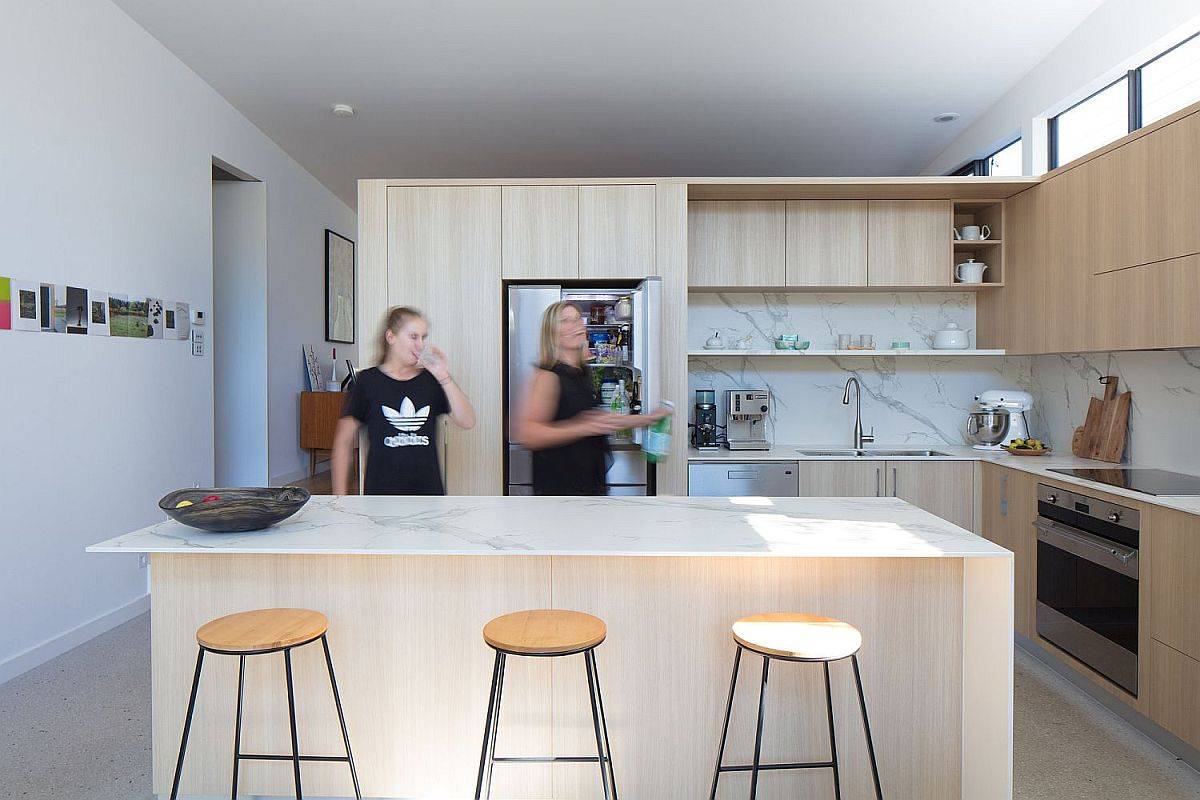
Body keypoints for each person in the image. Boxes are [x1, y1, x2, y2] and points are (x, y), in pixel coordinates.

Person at [516, 301, 670, 495]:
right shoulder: (548, 376)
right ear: (551, 333)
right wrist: (581, 427)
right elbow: (529, 434)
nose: (576, 325)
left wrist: (647, 418)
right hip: (560, 491)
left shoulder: (581, 373)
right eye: (565, 321)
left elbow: (600, 420)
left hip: (588, 485)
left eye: (578, 319)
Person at [331, 306, 475, 495]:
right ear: (391, 337)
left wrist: (443, 376)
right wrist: (339, 501)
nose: (421, 344)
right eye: (414, 336)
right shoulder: (367, 382)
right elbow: (343, 442)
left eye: (424, 337)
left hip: (428, 497)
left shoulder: (431, 380)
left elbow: (467, 421)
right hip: (381, 498)